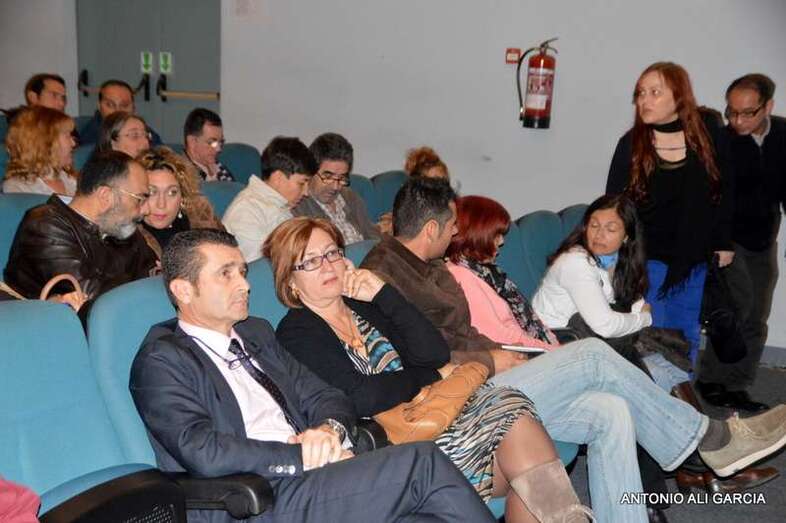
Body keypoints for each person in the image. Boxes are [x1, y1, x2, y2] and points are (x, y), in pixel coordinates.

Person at [361, 176, 786, 522]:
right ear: (431, 229)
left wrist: (510, 353)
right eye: (452, 225)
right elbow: (407, 359)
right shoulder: (381, 275)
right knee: (594, 354)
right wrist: (489, 359)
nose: (457, 232)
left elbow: (464, 330)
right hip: (458, 394)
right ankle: (710, 440)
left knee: (610, 411)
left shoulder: (431, 265)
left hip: (495, 374)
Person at [129, 228, 498, 523]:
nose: (244, 284)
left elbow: (326, 396)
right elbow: (203, 450)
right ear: (183, 290)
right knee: (422, 462)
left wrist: (328, 431)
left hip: (313, 480)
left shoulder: (255, 333)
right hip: (255, 499)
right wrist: (300, 456)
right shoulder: (163, 360)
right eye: (225, 274)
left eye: (242, 271)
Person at [267, 217, 591, 522]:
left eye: (332, 253)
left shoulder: (363, 305)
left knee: (512, 416)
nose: (327, 265)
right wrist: (431, 376)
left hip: (444, 415)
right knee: (526, 458)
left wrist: (382, 293)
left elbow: (434, 353)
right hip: (402, 444)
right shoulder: (297, 332)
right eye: (310, 261)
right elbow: (361, 397)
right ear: (290, 281)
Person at [606, 61, 733, 366]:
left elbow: (725, 190)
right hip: (646, 256)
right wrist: (611, 256)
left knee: (687, 331)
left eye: (655, 93)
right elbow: (613, 204)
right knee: (654, 333)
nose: (644, 100)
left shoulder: (707, 135)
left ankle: (682, 392)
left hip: (692, 256)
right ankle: (656, 391)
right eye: (640, 93)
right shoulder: (631, 144)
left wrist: (723, 241)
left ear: (678, 97)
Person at [532, 194, 690, 391]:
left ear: (626, 237)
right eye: (594, 225)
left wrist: (635, 306)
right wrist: (643, 318)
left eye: (610, 229)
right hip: (561, 343)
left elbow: (629, 302)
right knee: (662, 373)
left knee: (673, 368)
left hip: (593, 340)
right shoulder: (576, 262)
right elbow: (605, 325)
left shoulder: (613, 261)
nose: (599, 235)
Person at [696, 74, 786, 413]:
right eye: (732, 112)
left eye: (747, 113)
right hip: (728, 238)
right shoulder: (723, 140)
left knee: (757, 316)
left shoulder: (782, 134)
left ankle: (737, 385)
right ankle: (710, 380)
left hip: (765, 236)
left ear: (768, 107)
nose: (738, 121)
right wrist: (719, 242)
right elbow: (714, 195)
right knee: (735, 308)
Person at [4, 151, 157, 307]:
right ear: (106, 196)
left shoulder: (118, 225)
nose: (146, 210)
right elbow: (93, 300)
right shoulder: (44, 225)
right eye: (139, 199)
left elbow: (157, 276)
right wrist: (140, 284)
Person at [445, 195, 559, 351]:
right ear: (477, 234)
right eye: (496, 235)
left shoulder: (488, 273)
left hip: (536, 351)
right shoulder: (461, 276)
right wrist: (553, 350)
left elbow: (529, 324)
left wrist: (556, 347)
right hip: (522, 356)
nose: (501, 242)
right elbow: (498, 336)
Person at [223, 136, 314, 262]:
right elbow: (259, 267)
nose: (306, 192)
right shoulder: (246, 211)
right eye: (301, 183)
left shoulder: (280, 206)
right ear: (278, 178)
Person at [136, 146, 223, 259]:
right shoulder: (126, 237)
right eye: (152, 192)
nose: (161, 204)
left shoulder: (203, 220)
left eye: (172, 192)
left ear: (182, 196)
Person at [292, 133, 380, 243]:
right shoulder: (298, 207)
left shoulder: (351, 198)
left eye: (342, 177)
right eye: (328, 177)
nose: (335, 187)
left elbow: (374, 238)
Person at [2, 106, 77, 195]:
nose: (73, 143)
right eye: (67, 136)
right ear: (45, 143)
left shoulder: (71, 180)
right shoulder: (17, 187)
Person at [78, 79, 162, 145]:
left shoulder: (145, 132)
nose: (117, 110)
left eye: (124, 105)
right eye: (110, 105)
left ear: (133, 108)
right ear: (99, 106)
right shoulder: (90, 137)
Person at [183, 107, 234, 182]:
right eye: (211, 142)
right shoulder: (182, 174)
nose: (218, 149)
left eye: (220, 142)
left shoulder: (219, 167)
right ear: (192, 142)